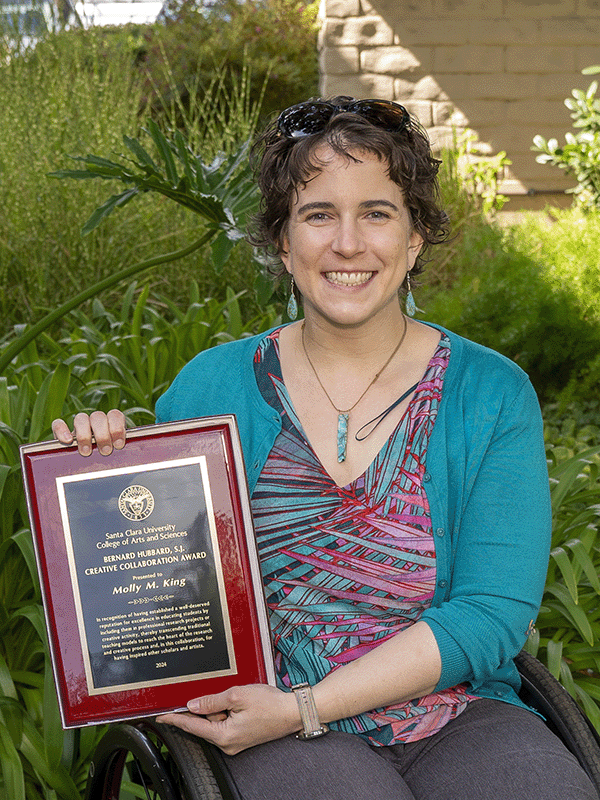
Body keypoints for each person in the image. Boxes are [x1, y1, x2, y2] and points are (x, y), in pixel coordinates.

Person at [52, 97, 596, 799]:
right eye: (317, 215)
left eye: (376, 212)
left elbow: (490, 613)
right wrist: (99, 475)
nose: (347, 243)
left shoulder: (490, 393)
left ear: (416, 237)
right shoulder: (210, 388)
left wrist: (309, 706)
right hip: (262, 722)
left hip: (454, 711)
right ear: (282, 241)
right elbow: (158, 594)